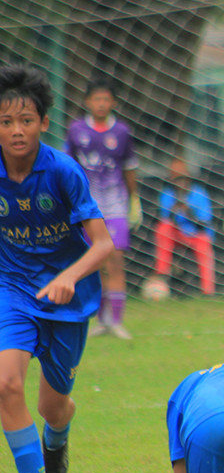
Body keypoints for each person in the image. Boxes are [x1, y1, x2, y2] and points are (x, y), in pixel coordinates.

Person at [0, 65, 114, 473]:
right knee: (6, 384)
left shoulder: (63, 171)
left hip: (68, 301)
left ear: (44, 122)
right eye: (5, 122)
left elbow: (104, 244)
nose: (15, 130)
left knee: (53, 404)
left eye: (25, 119)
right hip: (13, 292)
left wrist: (69, 276)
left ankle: (58, 437)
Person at [64, 77, 141, 340]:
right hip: (87, 208)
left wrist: (135, 201)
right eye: (97, 99)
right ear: (87, 102)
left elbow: (129, 168)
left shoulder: (121, 132)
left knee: (115, 260)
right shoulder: (75, 131)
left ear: (113, 103)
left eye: (106, 99)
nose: (101, 104)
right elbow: (68, 169)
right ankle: (101, 319)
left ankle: (116, 320)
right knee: (93, 262)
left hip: (115, 205)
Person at [153, 158, 215, 296]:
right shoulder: (168, 194)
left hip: (196, 235)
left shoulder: (199, 193)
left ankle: (208, 291)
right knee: (163, 228)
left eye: (183, 179)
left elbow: (205, 223)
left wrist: (188, 211)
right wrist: (174, 209)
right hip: (177, 235)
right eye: (176, 180)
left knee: (204, 243)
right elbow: (164, 219)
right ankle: (162, 273)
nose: (180, 183)